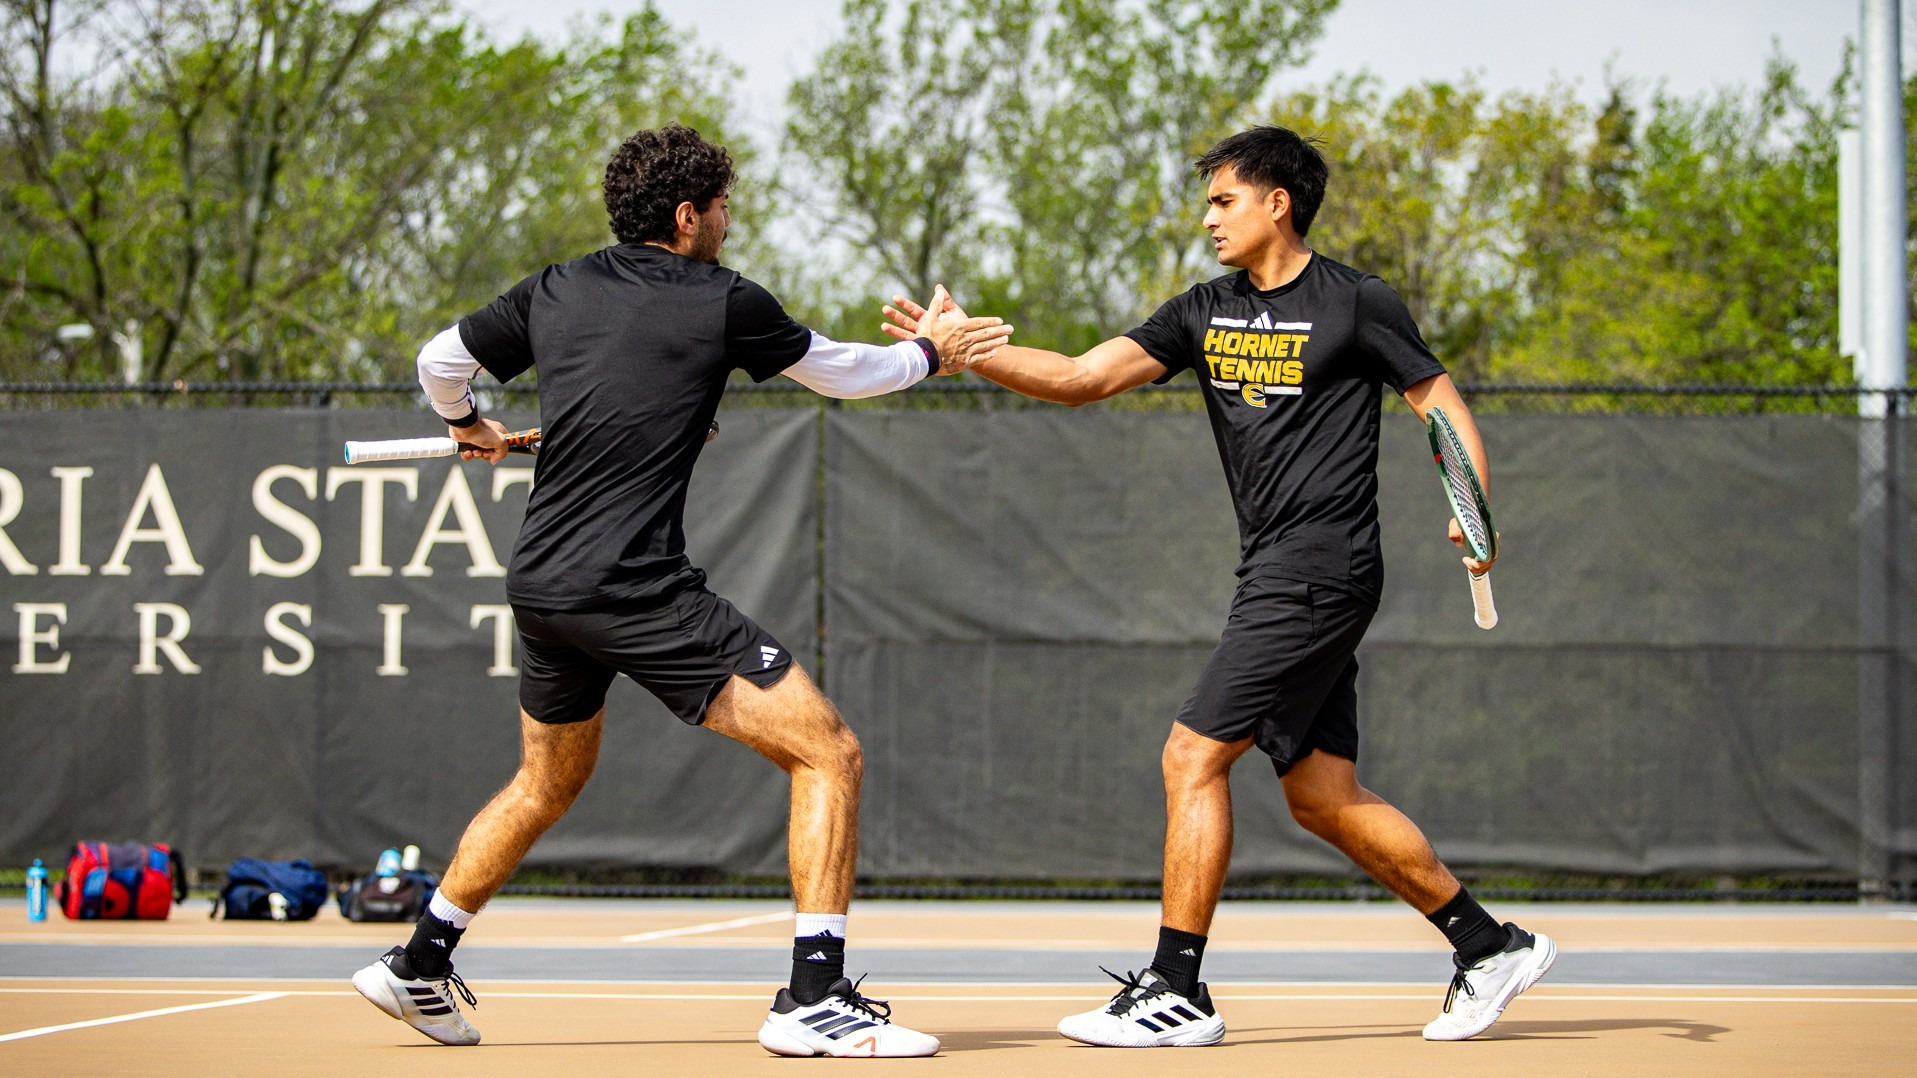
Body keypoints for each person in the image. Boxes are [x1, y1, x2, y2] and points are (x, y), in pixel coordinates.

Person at [881, 125, 1554, 1047]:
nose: (1208, 219)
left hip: (1321, 569)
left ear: (1278, 202)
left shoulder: (1356, 302)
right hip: (1274, 571)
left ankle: (1175, 988)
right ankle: (1488, 945)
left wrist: (1468, 502)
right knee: (1321, 795)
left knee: (1189, 755)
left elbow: (1436, 401)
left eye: (1222, 200)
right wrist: (960, 350)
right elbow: (1082, 376)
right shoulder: (1203, 308)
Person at [350, 123, 1011, 1059]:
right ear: (688, 214)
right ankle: (812, 1000)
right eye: (723, 208)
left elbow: (438, 364)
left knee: (546, 782)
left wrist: (467, 424)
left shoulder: (555, 287)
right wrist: (932, 354)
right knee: (830, 753)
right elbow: (843, 373)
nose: (730, 223)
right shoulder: (723, 301)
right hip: (633, 590)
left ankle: (418, 962)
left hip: (543, 586)